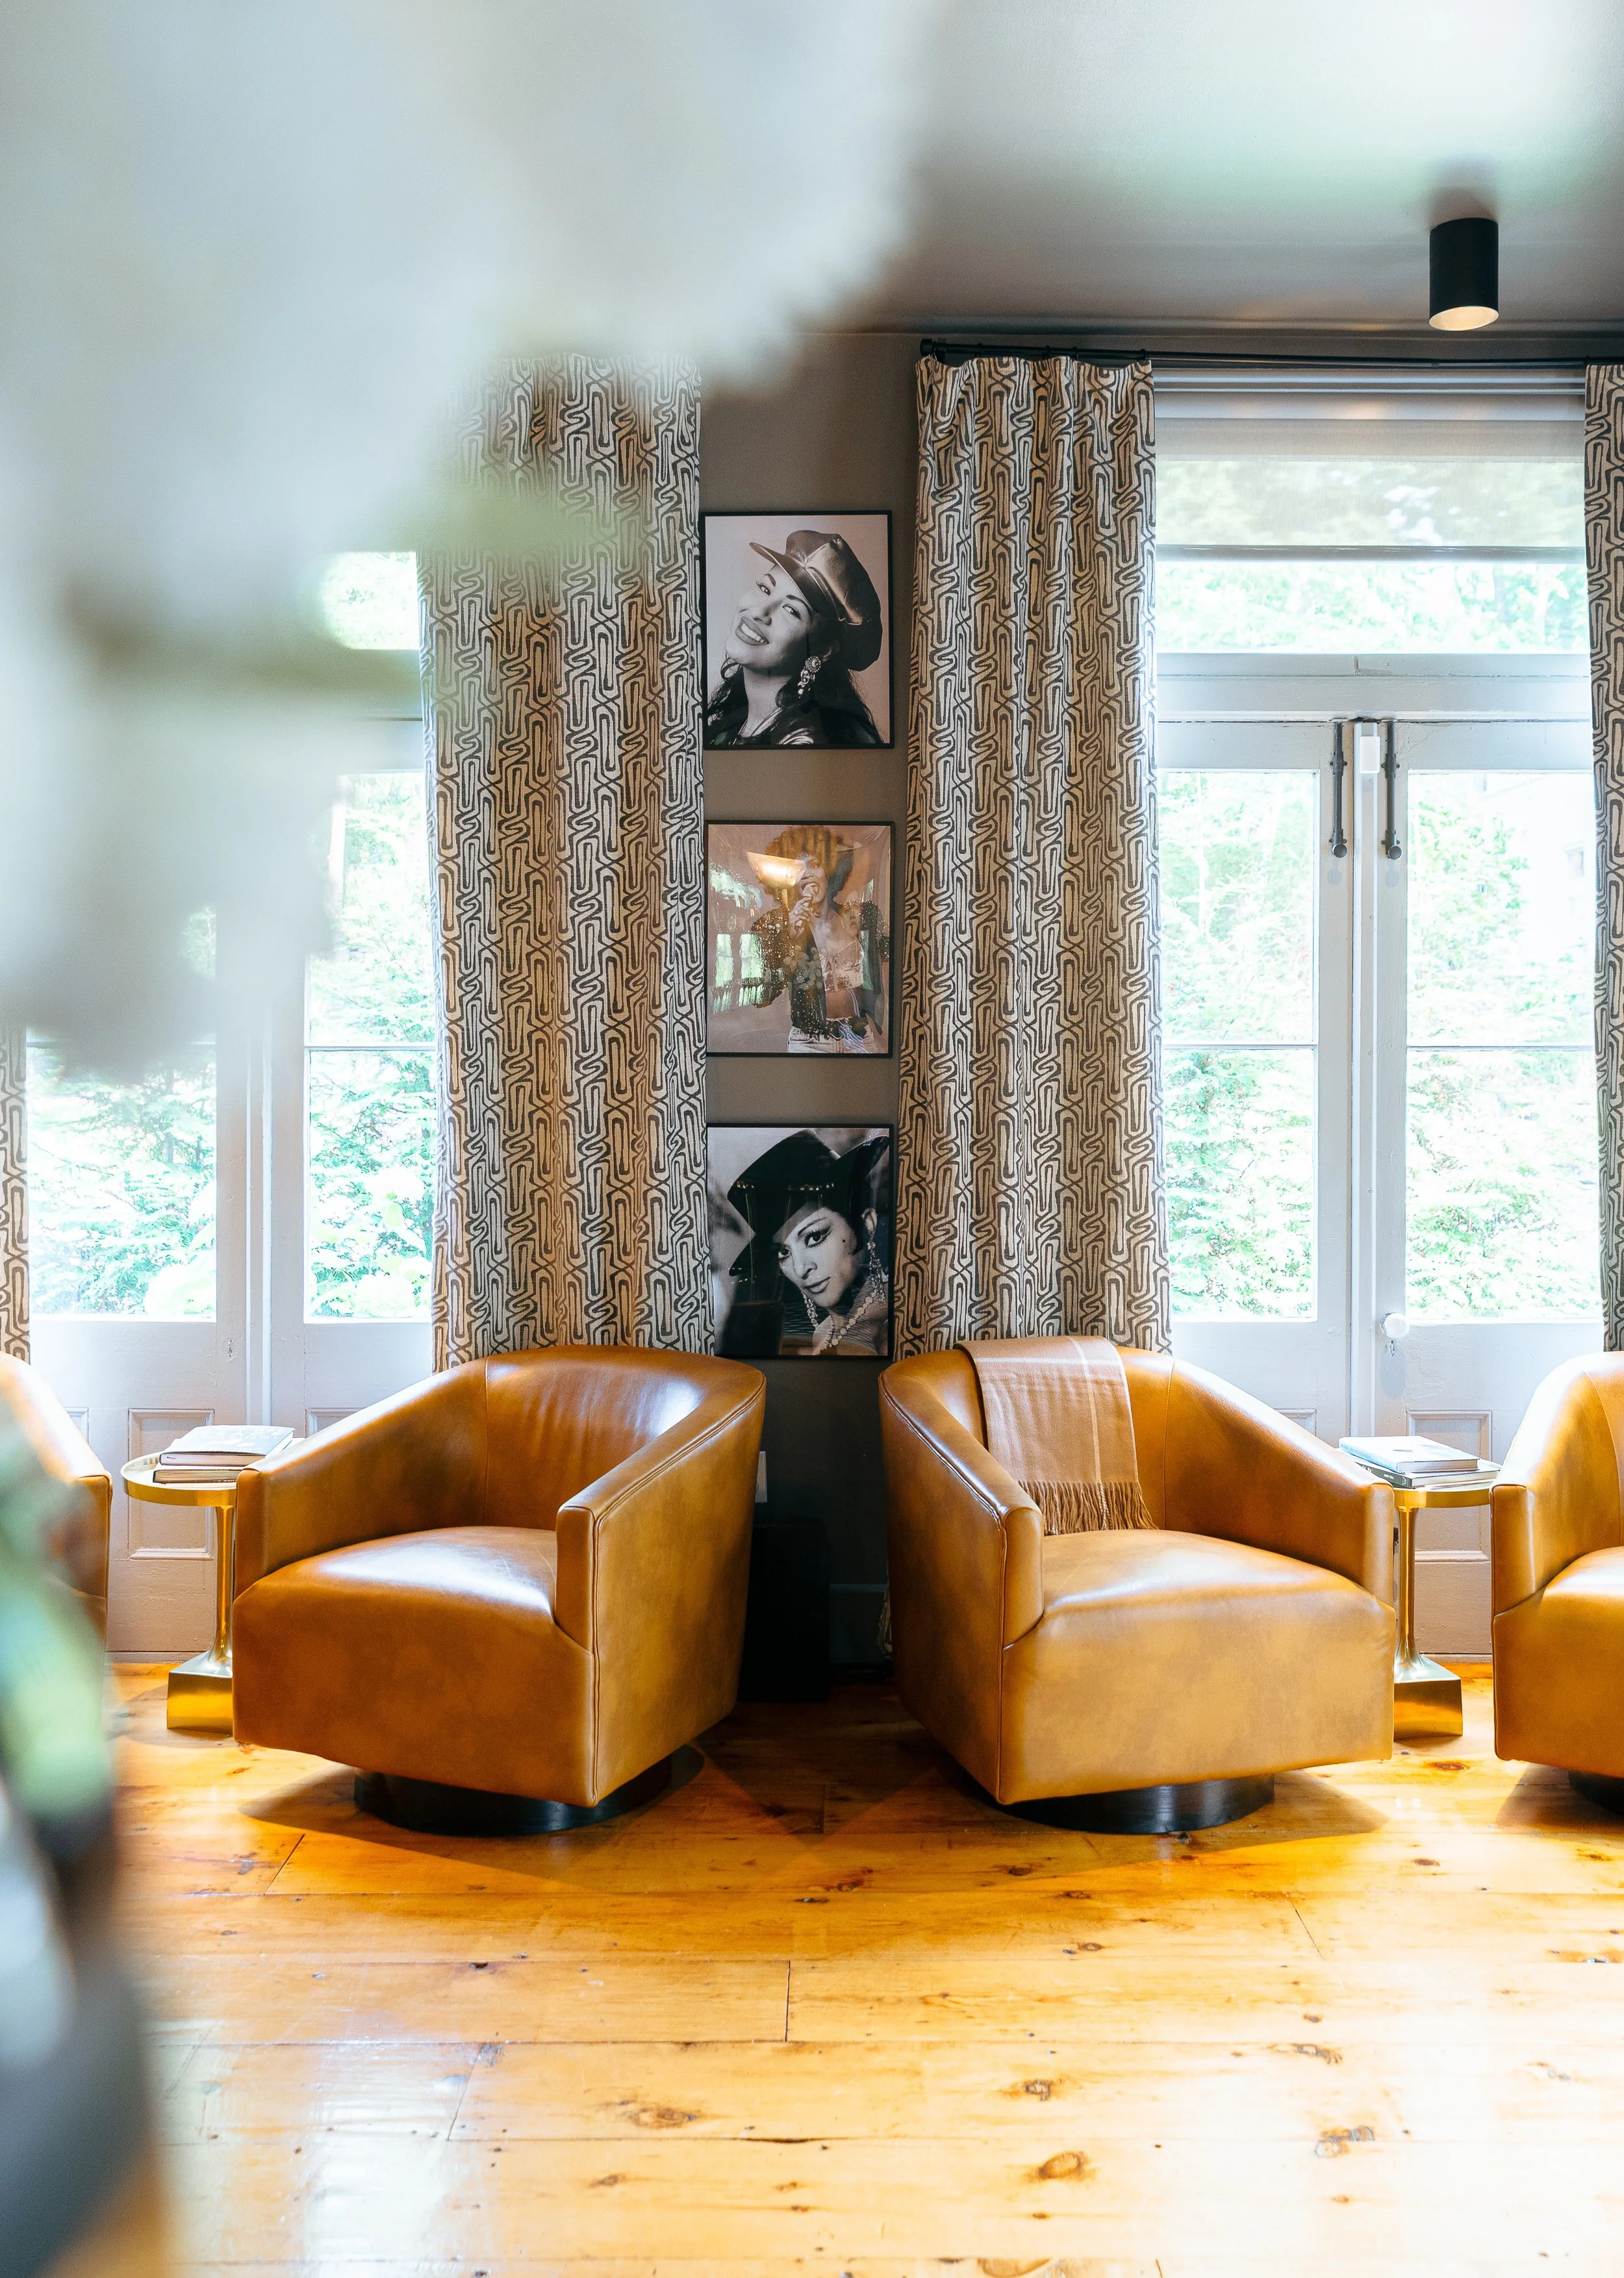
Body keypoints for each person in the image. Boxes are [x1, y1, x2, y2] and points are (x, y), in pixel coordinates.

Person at [705, 528, 885, 748]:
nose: (759, 611)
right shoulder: (735, 720)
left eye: (791, 610)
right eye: (765, 588)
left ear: (823, 649)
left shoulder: (807, 742)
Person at [720, 1129, 891, 1357]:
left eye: (815, 1237)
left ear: (867, 1223)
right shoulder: (823, 1331)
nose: (800, 1269)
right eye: (783, 1252)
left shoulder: (895, 1316)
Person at [743, 825, 888, 1053]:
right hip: (809, 1042)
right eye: (797, 867)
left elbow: (893, 962)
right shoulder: (776, 924)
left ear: (830, 870)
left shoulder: (860, 917)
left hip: (860, 1036)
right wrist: (786, 937)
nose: (809, 874)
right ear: (788, 879)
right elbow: (761, 996)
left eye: (816, 864)